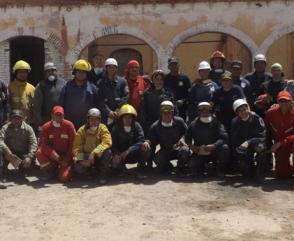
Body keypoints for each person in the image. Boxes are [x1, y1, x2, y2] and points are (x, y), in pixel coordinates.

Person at [142, 101, 189, 175]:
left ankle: (180, 167)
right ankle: (169, 167)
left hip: (179, 149)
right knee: (157, 159)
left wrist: (183, 138)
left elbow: (188, 133)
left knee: (185, 151)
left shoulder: (180, 121)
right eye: (164, 113)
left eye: (169, 113)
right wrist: (147, 142)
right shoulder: (155, 126)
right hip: (165, 150)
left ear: (172, 113)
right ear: (160, 113)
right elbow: (150, 140)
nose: (167, 115)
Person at [184, 102, 229, 177]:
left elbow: (224, 137)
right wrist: (191, 146)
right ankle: (203, 166)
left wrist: (214, 145)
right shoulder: (193, 124)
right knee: (192, 166)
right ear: (198, 112)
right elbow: (187, 138)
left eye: (207, 111)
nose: (205, 113)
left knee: (224, 148)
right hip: (199, 152)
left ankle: (220, 169)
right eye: (202, 111)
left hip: (214, 152)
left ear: (210, 112)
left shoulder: (217, 123)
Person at [36, 106, 76, 182]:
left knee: (64, 178)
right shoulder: (46, 127)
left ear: (63, 115)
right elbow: (42, 144)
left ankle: (65, 169)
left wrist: (66, 159)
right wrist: (52, 153)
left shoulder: (69, 125)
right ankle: (51, 170)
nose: (58, 117)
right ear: (52, 115)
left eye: (60, 115)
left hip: (66, 156)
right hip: (53, 156)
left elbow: (73, 144)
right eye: (56, 115)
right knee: (39, 153)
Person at [72, 108, 112, 184]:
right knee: (78, 169)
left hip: (97, 156)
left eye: (96, 119)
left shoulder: (102, 128)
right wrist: (81, 160)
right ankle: (89, 172)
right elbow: (75, 149)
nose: (93, 121)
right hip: (86, 156)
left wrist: (94, 153)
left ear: (99, 120)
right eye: (91, 119)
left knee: (108, 152)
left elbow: (107, 142)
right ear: (88, 120)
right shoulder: (81, 130)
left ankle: (102, 174)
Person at [111, 104, 150, 179]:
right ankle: (121, 169)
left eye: (130, 118)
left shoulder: (136, 125)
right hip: (121, 155)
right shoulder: (115, 128)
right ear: (121, 118)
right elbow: (113, 145)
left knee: (146, 147)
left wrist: (128, 150)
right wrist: (116, 154)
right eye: (125, 118)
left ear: (133, 118)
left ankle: (141, 169)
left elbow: (141, 140)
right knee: (114, 160)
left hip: (134, 153)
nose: (127, 120)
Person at [231, 99, 266, 178]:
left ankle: (260, 171)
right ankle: (249, 167)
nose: (243, 112)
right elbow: (234, 140)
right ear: (236, 113)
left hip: (255, 144)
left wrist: (248, 142)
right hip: (243, 147)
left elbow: (261, 137)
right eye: (240, 111)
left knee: (260, 148)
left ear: (248, 108)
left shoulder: (256, 118)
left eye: (244, 109)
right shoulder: (235, 122)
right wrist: (238, 151)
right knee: (246, 174)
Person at [59, 59, 99, 129]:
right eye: (79, 71)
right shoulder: (67, 86)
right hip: (69, 123)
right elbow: (60, 104)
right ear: (75, 72)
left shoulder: (92, 87)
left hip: (87, 124)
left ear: (87, 74)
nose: (81, 74)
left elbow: (98, 104)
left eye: (83, 72)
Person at [0, 110, 37, 179]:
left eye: (19, 118)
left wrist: (30, 156)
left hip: (22, 152)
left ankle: (24, 169)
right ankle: (3, 170)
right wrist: (7, 150)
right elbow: (0, 141)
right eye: (14, 118)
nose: (16, 120)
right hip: (9, 152)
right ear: (10, 119)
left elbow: (33, 143)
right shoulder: (5, 128)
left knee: (26, 167)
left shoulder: (28, 128)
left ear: (22, 119)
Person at [265, 90, 294, 179]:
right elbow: (266, 130)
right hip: (279, 145)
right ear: (277, 102)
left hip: (290, 142)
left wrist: (280, 143)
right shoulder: (271, 113)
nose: (284, 103)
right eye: (281, 101)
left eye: (287, 101)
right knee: (282, 175)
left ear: (291, 102)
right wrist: (268, 146)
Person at [96, 58, 129, 126]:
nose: (111, 69)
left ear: (116, 69)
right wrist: (108, 112)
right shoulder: (100, 83)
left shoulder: (122, 81)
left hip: (119, 114)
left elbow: (126, 96)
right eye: (109, 67)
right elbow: (99, 99)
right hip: (105, 116)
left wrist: (117, 110)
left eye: (113, 67)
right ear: (106, 68)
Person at [34, 62, 66, 129]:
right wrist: (39, 122)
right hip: (46, 119)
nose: (51, 73)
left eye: (53, 70)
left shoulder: (64, 83)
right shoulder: (41, 85)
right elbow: (37, 105)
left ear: (56, 71)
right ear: (45, 73)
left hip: (62, 118)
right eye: (48, 71)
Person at [8, 60, 35, 125]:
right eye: (20, 72)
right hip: (13, 122)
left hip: (28, 122)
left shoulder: (31, 88)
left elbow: (35, 106)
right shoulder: (10, 87)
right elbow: (7, 105)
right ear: (15, 73)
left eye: (25, 72)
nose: (23, 74)